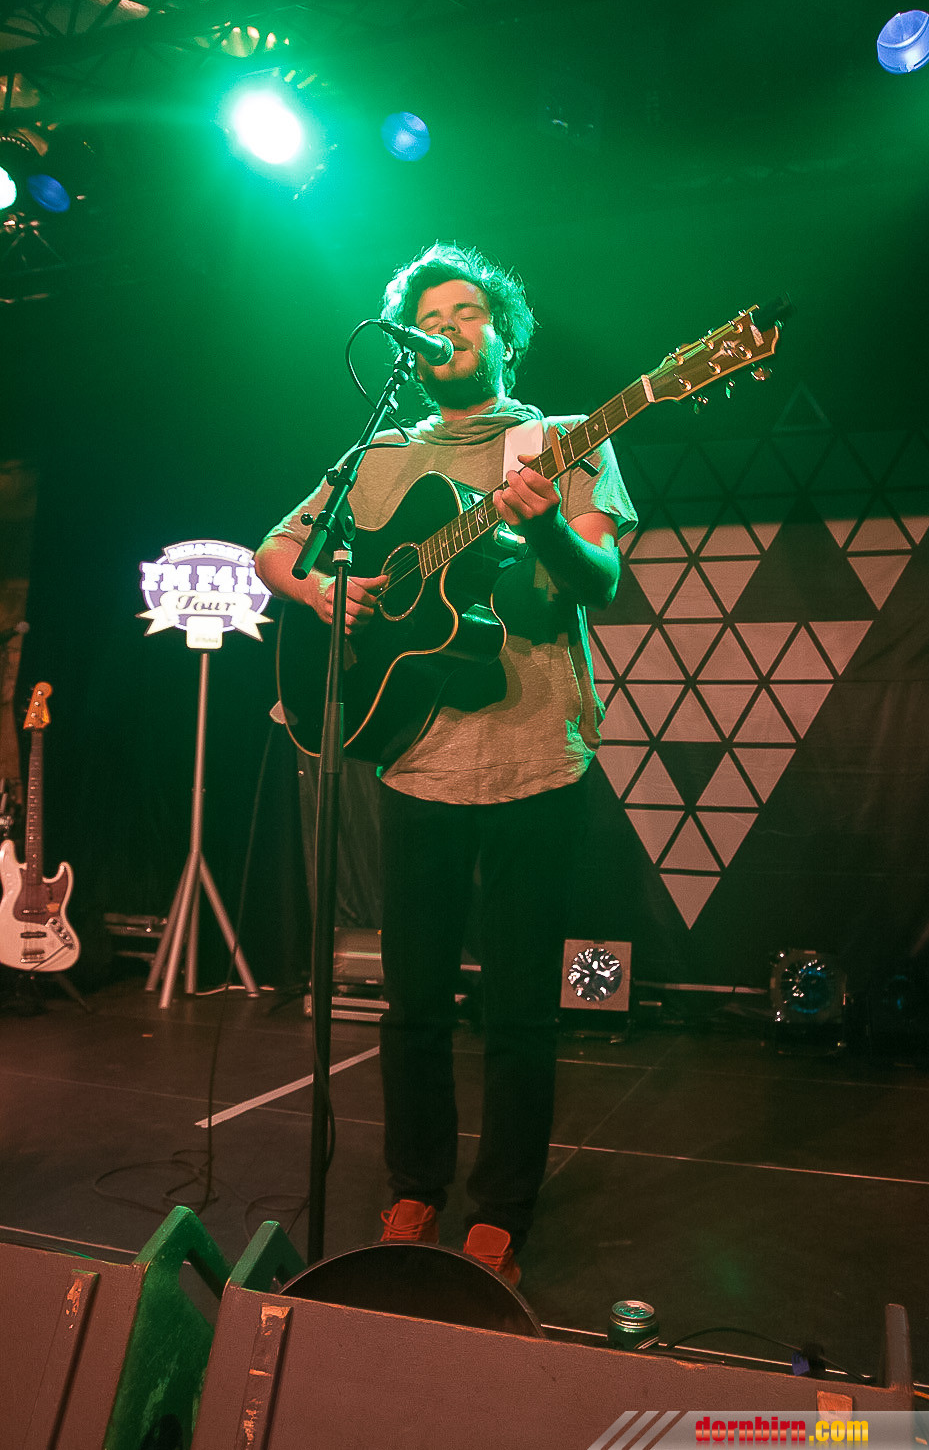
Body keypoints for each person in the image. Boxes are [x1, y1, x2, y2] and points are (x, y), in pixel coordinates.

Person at [254, 243, 636, 1285]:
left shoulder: (561, 438)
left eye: (469, 312)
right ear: (409, 347)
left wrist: (547, 529)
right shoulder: (377, 453)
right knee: (413, 1000)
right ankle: (414, 1185)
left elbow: (598, 581)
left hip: (534, 755)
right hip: (413, 754)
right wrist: (324, 592)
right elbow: (275, 550)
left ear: (505, 335)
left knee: (519, 1006)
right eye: (430, 317)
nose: (449, 327)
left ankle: (502, 1206)